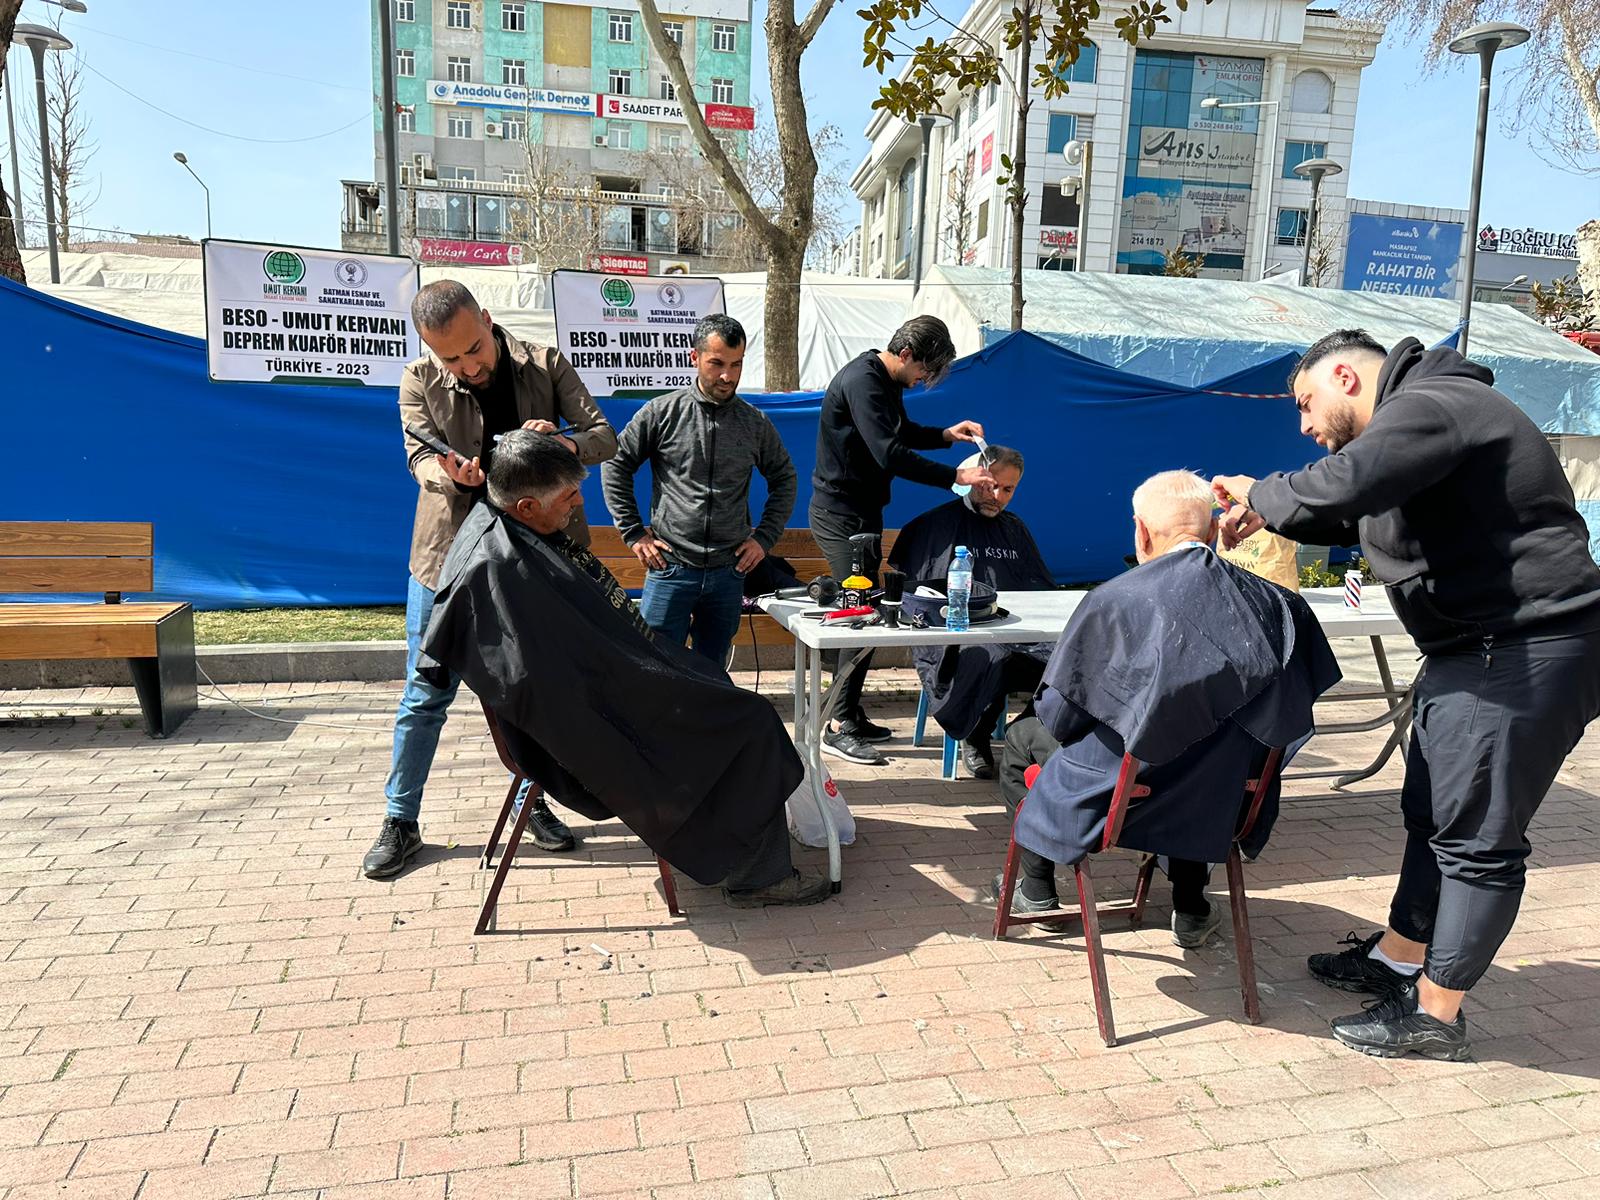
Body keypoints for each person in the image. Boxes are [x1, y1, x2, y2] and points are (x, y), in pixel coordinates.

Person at [1213, 328, 1600, 1060]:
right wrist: (1269, 507)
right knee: (1431, 814)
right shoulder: (1418, 432)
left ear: (1345, 378)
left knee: (1477, 840)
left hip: (1521, 651)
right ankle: (1398, 956)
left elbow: (1348, 483)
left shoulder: (1434, 404)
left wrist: (1261, 491)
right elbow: (1349, 508)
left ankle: (1435, 1014)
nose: (1303, 424)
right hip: (1475, 650)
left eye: (1305, 404)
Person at [419, 431, 831, 907]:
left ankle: (726, 843)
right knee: (750, 721)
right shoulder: (504, 568)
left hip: (608, 689)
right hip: (589, 729)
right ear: (526, 507)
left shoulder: (503, 526)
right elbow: (559, 688)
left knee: (720, 690)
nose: (577, 503)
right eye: (568, 495)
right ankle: (759, 876)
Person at [995, 471, 1340, 947]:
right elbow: (1294, 710)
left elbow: (1061, 716)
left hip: (1126, 795)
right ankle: (1192, 902)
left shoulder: (1114, 600)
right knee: (1206, 740)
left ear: (1140, 530)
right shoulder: (1280, 604)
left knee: (1022, 737)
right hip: (1224, 794)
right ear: (1211, 530)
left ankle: (1035, 890)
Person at [364, 280, 618, 880]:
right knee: (425, 694)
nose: (465, 366)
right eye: (449, 358)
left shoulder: (547, 363)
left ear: (487, 318)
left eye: (473, 349)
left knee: (530, 689)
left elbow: (605, 437)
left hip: (538, 556)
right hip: (445, 559)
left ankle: (534, 799)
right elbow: (418, 458)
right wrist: (447, 474)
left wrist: (560, 442)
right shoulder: (418, 380)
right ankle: (400, 820)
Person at [809, 315, 994, 765]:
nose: (923, 381)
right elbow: (888, 452)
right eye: (925, 372)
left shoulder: (884, 379)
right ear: (907, 354)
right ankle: (835, 723)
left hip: (862, 513)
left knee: (870, 609)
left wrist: (947, 436)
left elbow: (899, 432)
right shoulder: (863, 380)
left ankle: (847, 713)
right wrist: (957, 476)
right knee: (859, 614)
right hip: (839, 514)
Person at [601, 314, 797, 667]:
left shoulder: (755, 423)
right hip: (670, 569)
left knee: (712, 676)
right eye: (717, 363)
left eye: (736, 364)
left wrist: (764, 539)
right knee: (657, 671)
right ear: (694, 358)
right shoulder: (661, 413)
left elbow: (785, 478)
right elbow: (615, 463)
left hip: (728, 573)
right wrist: (634, 535)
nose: (728, 376)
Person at [887, 446, 1055, 779]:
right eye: (989, 485)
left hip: (1020, 629)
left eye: (1007, 489)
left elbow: (1040, 587)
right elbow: (922, 596)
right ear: (971, 479)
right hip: (959, 631)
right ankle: (974, 735)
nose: (997, 496)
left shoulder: (1014, 527)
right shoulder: (934, 526)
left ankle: (1023, 732)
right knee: (991, 655)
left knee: (1070, 657)